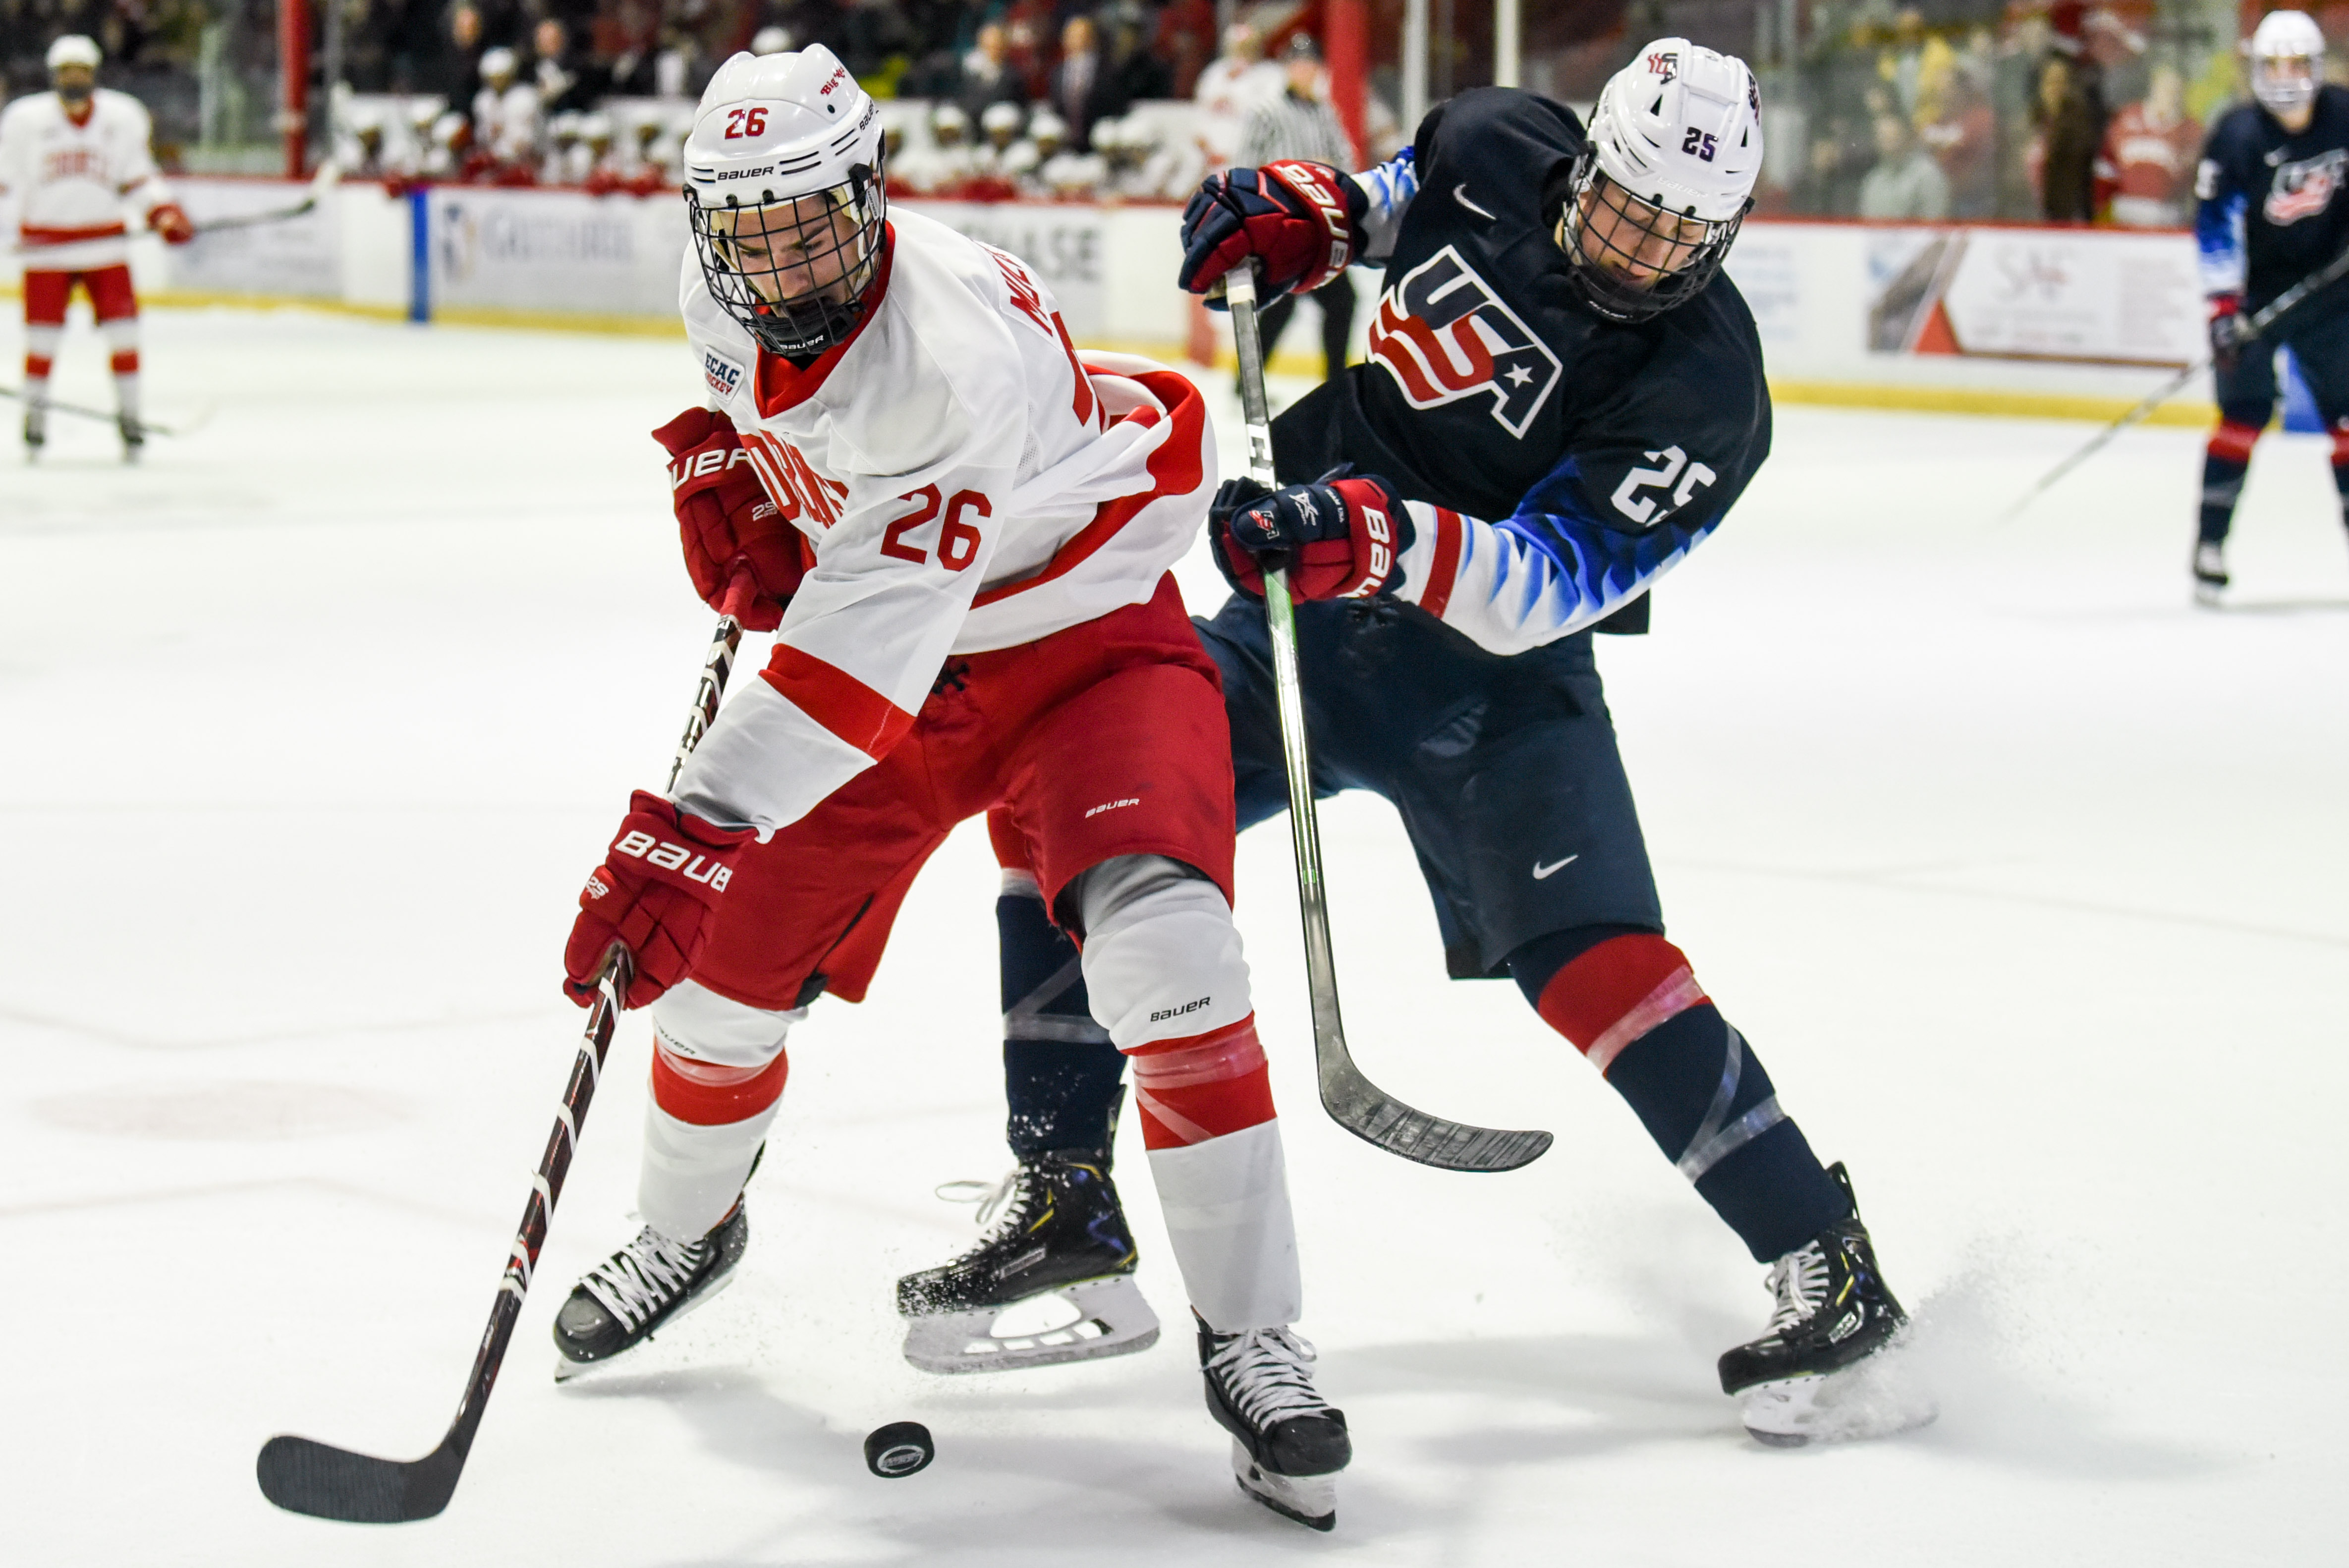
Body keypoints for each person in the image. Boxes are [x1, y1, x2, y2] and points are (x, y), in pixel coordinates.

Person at [901, 40, 1928, 1451]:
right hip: (1292, 623)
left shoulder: (1706, 389)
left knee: (1598, 965)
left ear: (1729, 228)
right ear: (1584, 165)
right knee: (1057, 819)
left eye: (1681, 233)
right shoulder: (1500, 144)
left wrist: (1370, 534)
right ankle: (1065, 1187)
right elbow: (1388, 204)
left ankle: (1823, 1257)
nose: (1641, 250)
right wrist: (1310, 216)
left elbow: (1545, 583)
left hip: (1483, 687)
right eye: (1625, 207)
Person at [548, 44, 1353, 1532]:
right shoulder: (714, 286)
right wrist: (748, 484)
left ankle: (1254, 1335)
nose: (776, 259)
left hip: (1081, 638)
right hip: (910, 647)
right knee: (716, 990)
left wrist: (688, 828)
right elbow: (809, 486)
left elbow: (853, 667)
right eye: (746, 226)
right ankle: (685, 1227)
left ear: (868, 194)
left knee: (1168, 954)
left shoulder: (947, 357)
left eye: (808, 219)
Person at [2191, 9, 2349, 603]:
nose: (2284, 77)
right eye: (2273, 64)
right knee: (2243, 417)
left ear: (2316, 68)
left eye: (2296, 64)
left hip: (2334, 295)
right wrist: (2224, 310)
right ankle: (2209, 543)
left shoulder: (2344, 116)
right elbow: (2215, 227)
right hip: (2257, 299)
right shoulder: (2237, 136)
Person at [0, 33, 194, 461]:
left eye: (82, 71)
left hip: (105, 247)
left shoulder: (122, 118)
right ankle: (35, 420)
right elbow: (7, 186)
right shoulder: (25, 122)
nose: (75, 78)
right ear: (54, 76)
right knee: (42, 343)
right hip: (46, 250)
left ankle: (130, 417)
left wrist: (162, 212)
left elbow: (139, 178)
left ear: (94, 74)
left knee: (125, 335)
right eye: (67, 71)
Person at [1235, 34, 1358, 385]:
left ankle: (1335, 380)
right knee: (1281, 305)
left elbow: (1346, 160)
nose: (1304, 71)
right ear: (1287, 68)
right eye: (1297, 63)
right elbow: (1245, 167)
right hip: (1283, 225)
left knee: (1342, 302)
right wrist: (1300, 171)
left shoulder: (1324, 111)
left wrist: (1328, 169)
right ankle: (1247, 380)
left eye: (1310, 64)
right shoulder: (1266, 112)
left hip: (1321, 226)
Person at [2097, 62, 2199, 227]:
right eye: (2166, 88)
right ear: (2154, 88)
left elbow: (2193, 180)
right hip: (2124, 211)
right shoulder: (2126, 119)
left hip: (2167, 215)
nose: (2172, 96)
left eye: (2177, 90)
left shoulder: (2192, 131)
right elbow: (2106, 168)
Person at [1856, 110, 1953, 218]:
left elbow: (1935, 221)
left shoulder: (1928, 175)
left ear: (1907, 138)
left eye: (1893, 138)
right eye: (1883, 138)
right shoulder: (1873, 181)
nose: (1888, 145)